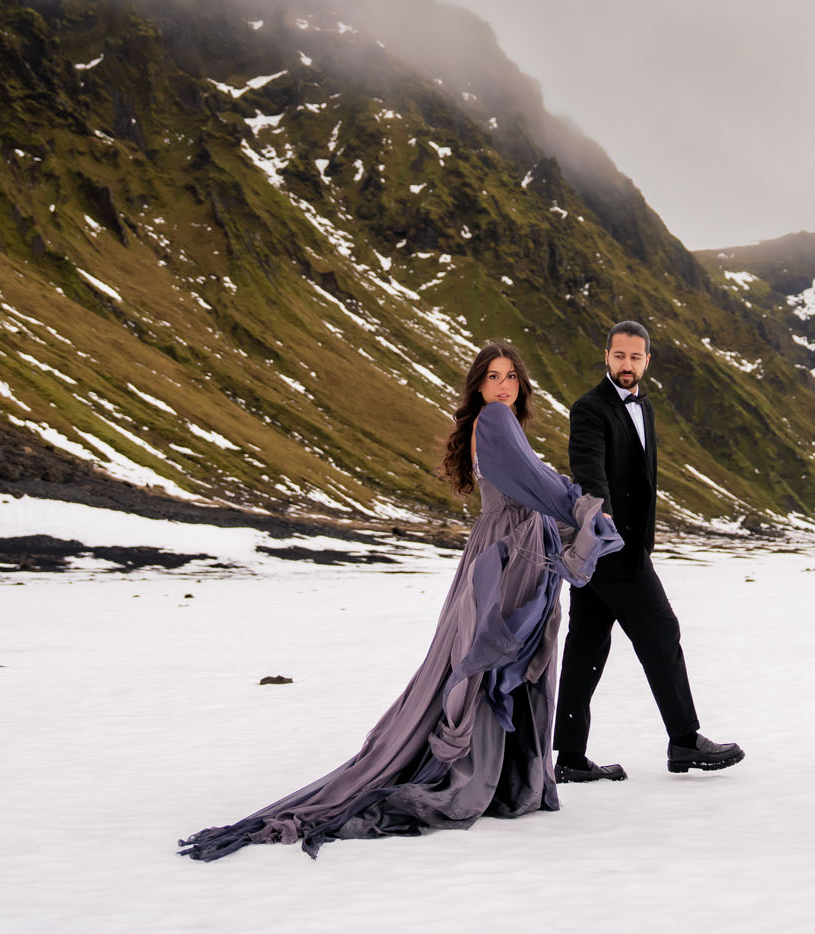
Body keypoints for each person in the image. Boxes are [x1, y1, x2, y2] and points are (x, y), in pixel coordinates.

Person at [179, 342, 623, 861]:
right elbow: (538, 486)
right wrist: (583, 507)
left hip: (511, 550)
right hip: (510, 554)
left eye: (512, 377)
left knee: (492, 660)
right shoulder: (497, 422)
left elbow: (534, 482)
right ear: (478, 386)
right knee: (488, 659)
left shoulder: (497, 425)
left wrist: (568, 506)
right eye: (493, 376)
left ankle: (499, 778)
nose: (503, 385)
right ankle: (478, 780)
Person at [554, 320, 745, 782]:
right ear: (606, 356)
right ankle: (683, 741)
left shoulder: (646, 408)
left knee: (586, 648)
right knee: (661, 633)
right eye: (619, 356)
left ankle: (570, 758)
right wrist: (602, 513)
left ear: (647, 361)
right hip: (613, 547)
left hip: (620, 551)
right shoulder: (589, 409)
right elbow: (588, 464)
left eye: (635, 357)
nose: (627, 364)